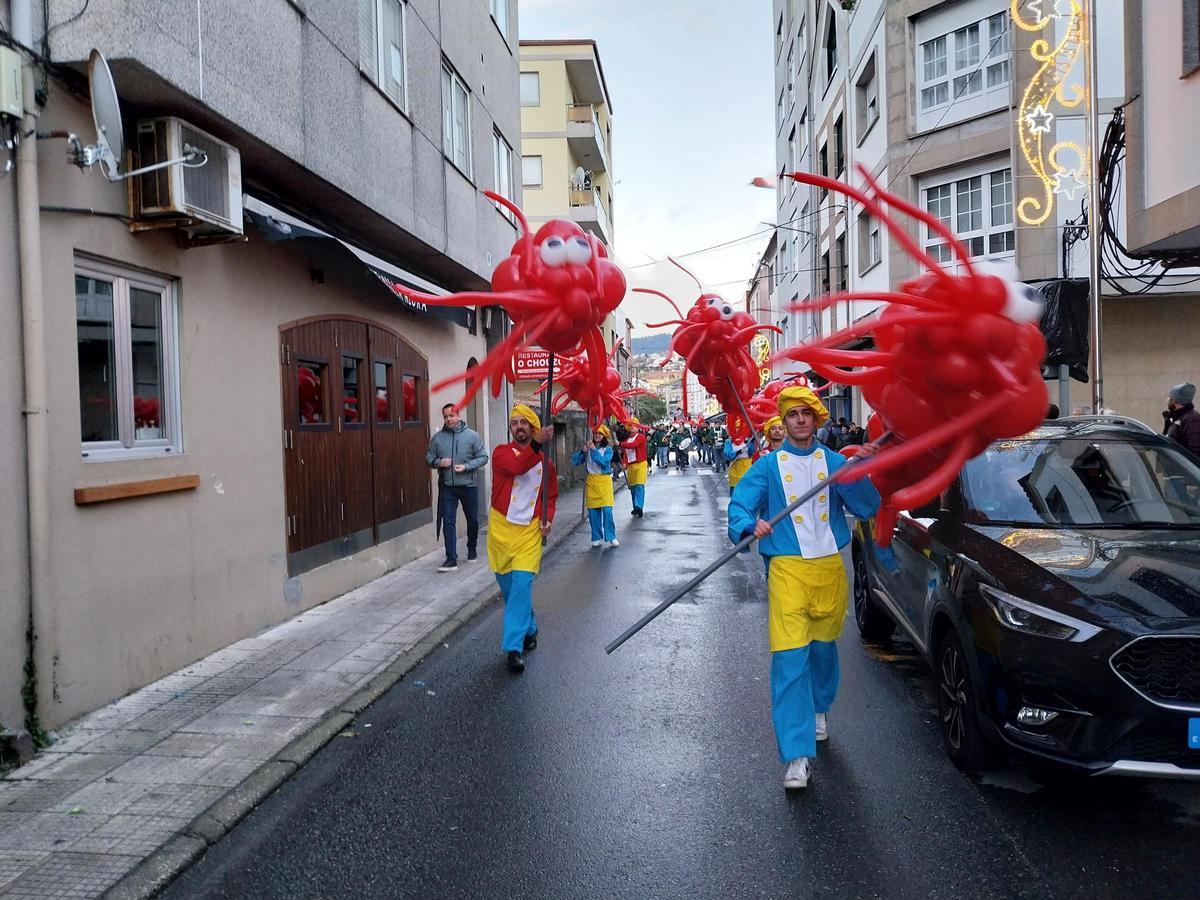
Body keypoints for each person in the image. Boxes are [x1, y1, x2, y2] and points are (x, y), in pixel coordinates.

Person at [727, 386, 881, 790]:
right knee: (789, 657)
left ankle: (819, 707)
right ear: (783, 420)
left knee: (823, 649)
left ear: (815, 419)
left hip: (829, 568)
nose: (799, 420)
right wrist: (749, 525)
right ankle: (796, 756)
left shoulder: (835, 462)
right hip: (787, 570)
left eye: (805, 413)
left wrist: (860, 470)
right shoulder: (766, 466)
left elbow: (867, 507)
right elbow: (740, 504)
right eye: (792, 414)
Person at [489, 404, 557, 674]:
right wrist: (538, 445)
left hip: (529, 532)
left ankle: (513, 648)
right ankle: (529, 626)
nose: (518, 426)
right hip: (501, 531)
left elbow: (549, 496)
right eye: (514, 422)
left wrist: (548, 517)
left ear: (533, 427)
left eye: (524, 422)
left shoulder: (547, 463)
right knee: (509, 590)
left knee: (521, 587)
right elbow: (518, 466)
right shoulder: (501, 453)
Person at [425, 403, 489, 573]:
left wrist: (466, 467)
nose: (449, 419)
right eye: (446, 417)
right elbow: (428, 458)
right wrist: (440, 462)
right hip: (447, 487)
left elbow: (483, 457)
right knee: (448, 522)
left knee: (473, 520)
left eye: (451, 416)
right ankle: (451, 558)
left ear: (458, 415)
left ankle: (472, 548)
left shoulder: (472, 436)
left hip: (468, 485)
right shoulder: (437, 439)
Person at [573, 424, 619, 547]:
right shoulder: (588, 449)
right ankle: (596, 536)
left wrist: (593, 450)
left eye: (600, 433)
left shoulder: (608, 449)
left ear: (604, 436)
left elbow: (603, 462)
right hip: (591, 483)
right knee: (593, 513)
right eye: (596, 433)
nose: (597, 435)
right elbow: (575, 461)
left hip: (604, 483)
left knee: (607, 511)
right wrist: (582, 451)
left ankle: (611, 536)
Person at [619, 417, 649, 517]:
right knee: (633, 488)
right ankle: (635, 507)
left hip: (640, 464)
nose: (632, 427)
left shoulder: (641, 437)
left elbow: (633, 445)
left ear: (638, 428)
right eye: (630, 425)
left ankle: (638, 506)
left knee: (639, 485)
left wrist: (620, 444)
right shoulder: (627, 440)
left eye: (634, 425)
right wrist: (624, 464)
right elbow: (625, 454)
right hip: (631, 466)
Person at [1164, 382, 1200, 456]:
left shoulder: (1192, 420)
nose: (1167, 400)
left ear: (1175, 401)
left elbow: (1195, 452)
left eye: (1170, 398)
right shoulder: (1176, 418)